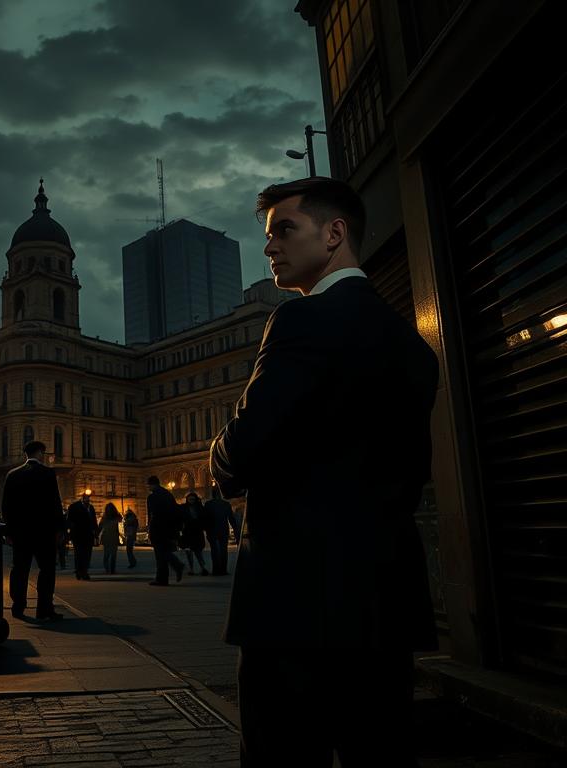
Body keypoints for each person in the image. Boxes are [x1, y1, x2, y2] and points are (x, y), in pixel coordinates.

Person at [210, 177, 439, 767]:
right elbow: (413, 471)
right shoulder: (413, 346)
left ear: (334, 232)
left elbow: (244, 446)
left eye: (284, 229)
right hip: (384, 602)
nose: (270, 247)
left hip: (295, 603)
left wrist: (220, 455)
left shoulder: (301, 320)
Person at [1, 440, 66, 622]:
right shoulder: (48, 473)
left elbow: (6, 506)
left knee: (19, 569)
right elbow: (55, 503)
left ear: (26, 454)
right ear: (40, 453)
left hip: (21, 533)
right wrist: (60, 529)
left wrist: (8, 532)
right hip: (44, 532)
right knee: (47, 570)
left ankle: (18, 606)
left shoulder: (12, 474)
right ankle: (44, 609)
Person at [145, 476, 184, 586]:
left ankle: (175, 566)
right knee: (163, 551)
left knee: (160, 553)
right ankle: (162, 578)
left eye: (149, 485)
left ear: (153, 484)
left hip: (158, 527)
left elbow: (152, 514)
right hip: (169, 527)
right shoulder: (168, 494)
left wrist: (149, 528)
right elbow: (174, 510)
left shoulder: (152, 497)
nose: (148, 488)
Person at [203, 486, 237, 575]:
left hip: (212, 530)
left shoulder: (208, 504)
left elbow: (205, 519)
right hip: (223, 529)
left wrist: (206, 530)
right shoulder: (226, 504)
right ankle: (223, 569)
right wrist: (235, 529)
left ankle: (216, 569)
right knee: (223, 550)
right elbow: (231, 518)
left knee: (214, 550)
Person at [66, 492, 98, 580]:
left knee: (87, 554)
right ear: (83, 498)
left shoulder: (90, 507)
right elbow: (69, 520)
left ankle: (84, 571)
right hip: (78, 535)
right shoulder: (74, 507)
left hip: (88, 535)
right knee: (79, 554)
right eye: (87, 497)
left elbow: (94, 521)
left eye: (89, 497)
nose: (88, 499)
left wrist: (96, 533)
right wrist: (70, 532)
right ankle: (79, 571)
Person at [179, 492, 209, 576]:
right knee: (189, 552)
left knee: (197, 551)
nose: (191, 501)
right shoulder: (184, 507)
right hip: (187, 531)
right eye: (189, 499)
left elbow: (204, 518)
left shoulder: (199, 507)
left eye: (192, 499)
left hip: (197, 531)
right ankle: (192, 569)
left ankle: (203, 568)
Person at [99, 503, 122, 574]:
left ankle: (108, 569)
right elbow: (120, 519)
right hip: (113, 537)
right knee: (113, 554)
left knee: (107, 554)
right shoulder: (115, 517)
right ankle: (112, 569)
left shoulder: (104, 518)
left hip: (107, 537)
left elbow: (100, 527)